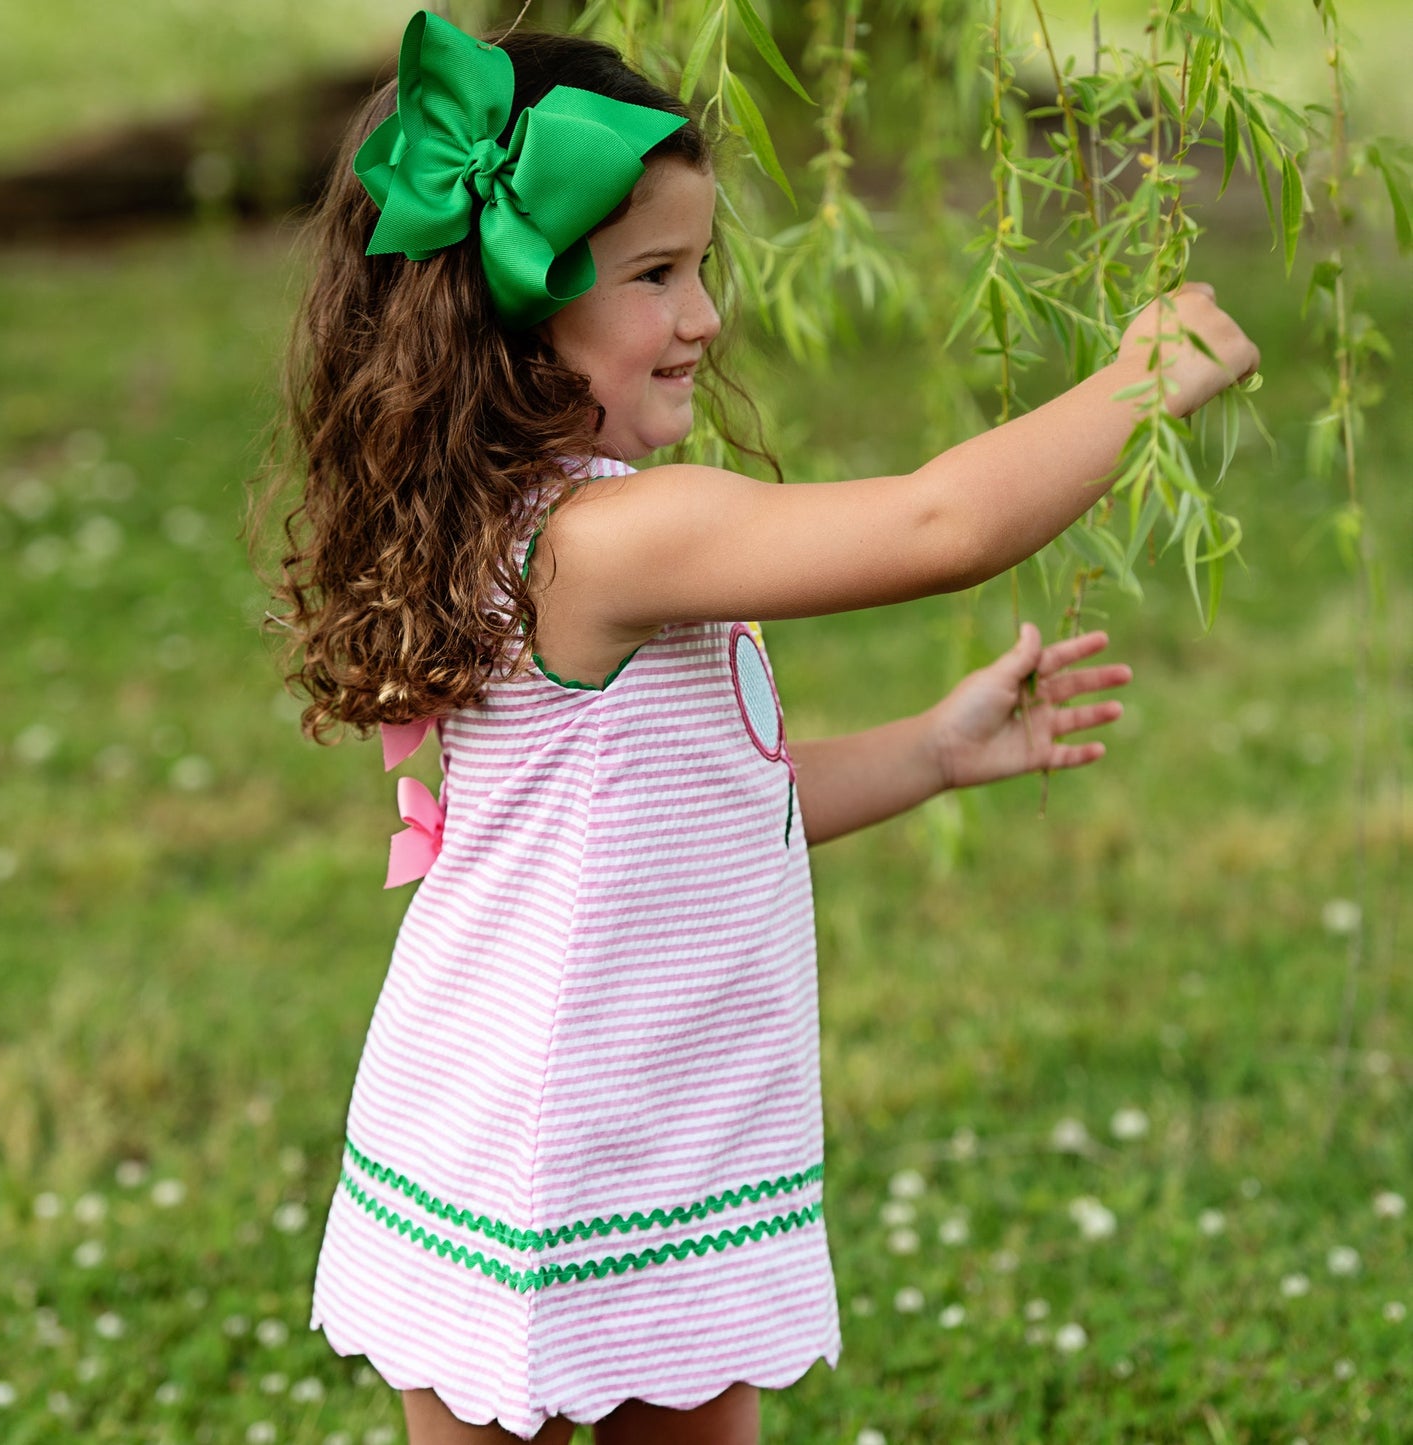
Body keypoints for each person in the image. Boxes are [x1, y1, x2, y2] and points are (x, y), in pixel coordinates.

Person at [258, 11, 1258, 1444]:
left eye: (701, 268)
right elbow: (941, 522)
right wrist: (1140, 372)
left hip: (616, 1117)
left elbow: (683, 813)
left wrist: (931, 749)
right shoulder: (606, 539)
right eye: (657, 275)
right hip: (562, 1141)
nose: (705, 317)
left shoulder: (489, 526)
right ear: (514, 306)